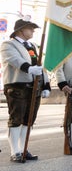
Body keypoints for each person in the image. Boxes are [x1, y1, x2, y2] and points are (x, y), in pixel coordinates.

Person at [0, 18, 51, 162]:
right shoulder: (8, 44)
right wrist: (29, 68)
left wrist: (46, 84)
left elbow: (40, 66)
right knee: (16, 119)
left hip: (34, 87)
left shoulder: (32, 46)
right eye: (30, 28)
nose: (33, 31)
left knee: (29, 119)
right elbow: (14, 59)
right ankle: (15, 151)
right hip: (18, 86)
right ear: (21, 30)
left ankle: (23, 149)